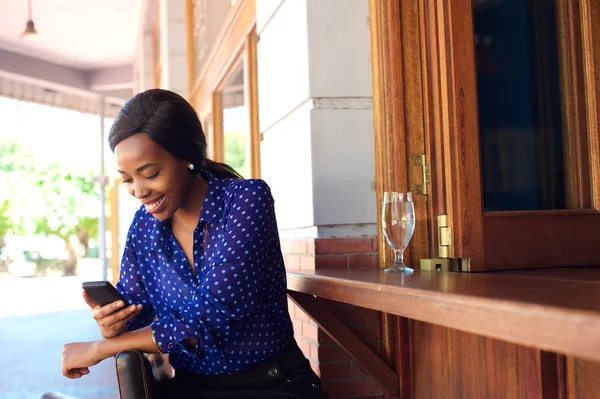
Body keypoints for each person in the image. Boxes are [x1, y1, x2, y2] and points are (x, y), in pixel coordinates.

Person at [61, 89, 329, 398]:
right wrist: (112, 326)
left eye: (150, 174)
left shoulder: (245, 200)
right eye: (127, 180)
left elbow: (212, 317)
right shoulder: (144, 227)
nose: (138, 190)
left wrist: (101, 348)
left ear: (187, 157)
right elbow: (138, 315)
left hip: (271, 382)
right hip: (191, 385)